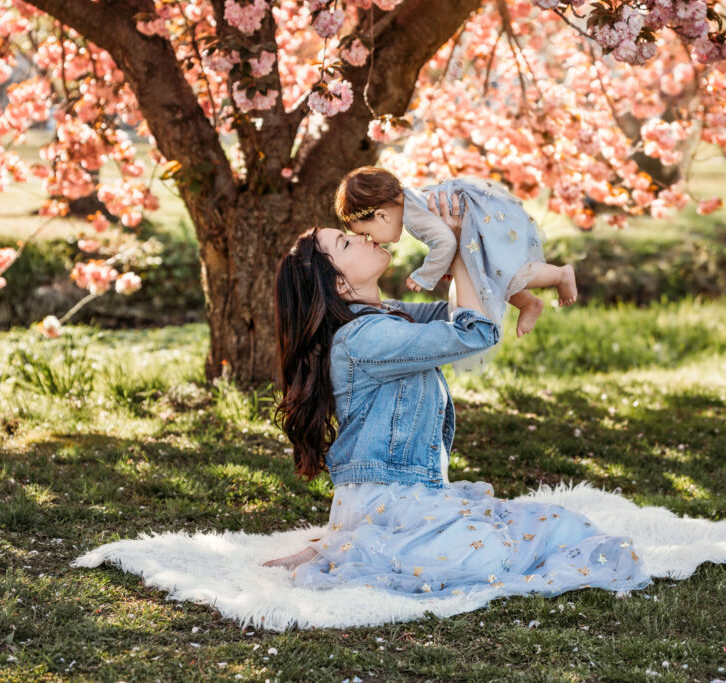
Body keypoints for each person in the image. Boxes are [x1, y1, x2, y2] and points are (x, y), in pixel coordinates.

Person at [264, 191, 650, 602]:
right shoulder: (366, 337)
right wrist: (461, 250)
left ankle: (346, 543)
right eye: (345, 242)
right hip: (390, 503)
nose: (360, 235)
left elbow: (459, 314)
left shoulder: (381, 317)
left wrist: (454, 245)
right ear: (339, 283)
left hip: (410, 497)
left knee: (561, 526)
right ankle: (347, 547)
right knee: (488, 559)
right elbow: (476, 333)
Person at [334, 167, 578, 348]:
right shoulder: (412, 202)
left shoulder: (412, 216)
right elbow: (447, 242)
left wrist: (426, 275)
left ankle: (559, 275)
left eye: (367, 234)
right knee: (487, 277)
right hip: (478, 225)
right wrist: (446, 263)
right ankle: (528, 303)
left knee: (504, 270)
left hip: (481, 225)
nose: (372, 242)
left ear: (382, 216)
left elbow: (446, 241)